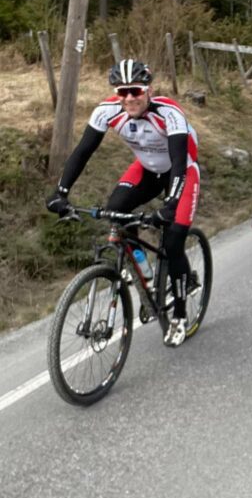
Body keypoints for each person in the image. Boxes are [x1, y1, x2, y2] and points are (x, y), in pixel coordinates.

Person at [45, 59, 201, 347]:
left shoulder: (169, 113)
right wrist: (61, 192)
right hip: (146, 169)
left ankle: (179, 315)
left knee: (174, 238)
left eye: (136, 91)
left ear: (148, 89)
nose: (129, 97)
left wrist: (170, 205)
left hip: (180, 172)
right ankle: (148, 278)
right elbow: (82, 152)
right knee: (116, 212)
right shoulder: (107, 112)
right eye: (123, 91)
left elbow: (180, 163)